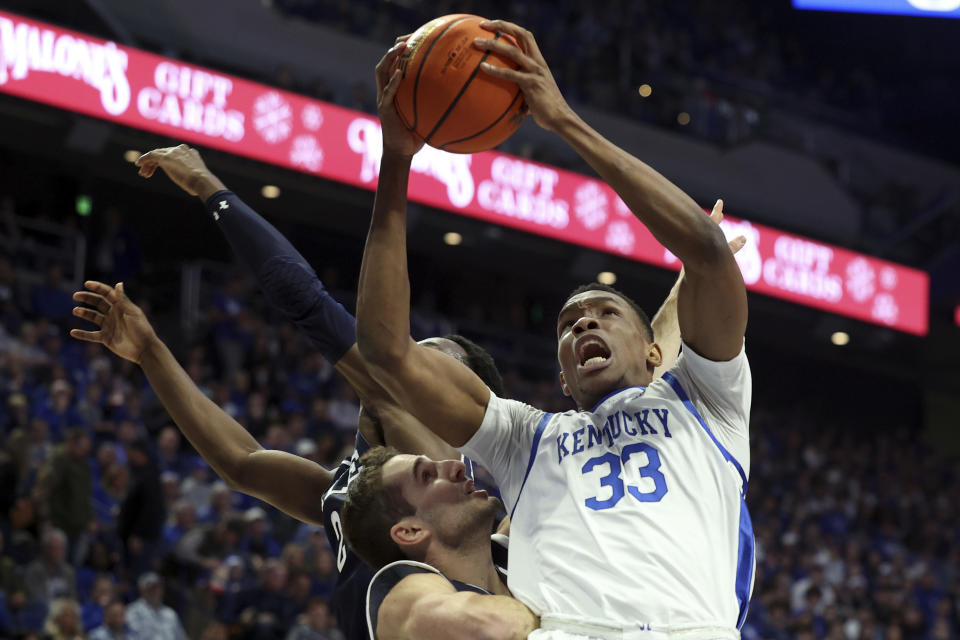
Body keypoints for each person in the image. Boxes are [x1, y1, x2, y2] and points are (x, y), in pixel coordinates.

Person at [122, 144, 701, 638]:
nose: (412, 372)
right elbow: (242, 462)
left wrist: (208, 185)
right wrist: (151, 352)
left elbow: (305, 303)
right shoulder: (352, 490)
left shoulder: (450, 469)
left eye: (434, 368)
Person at [354, 24, 752, 639]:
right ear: (563, 380)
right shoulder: (527, 439)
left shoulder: (708, 403)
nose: (584, 322)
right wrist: (398, 157)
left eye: (605, 313)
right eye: (568, 325)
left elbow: (704, 247)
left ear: (655, 353)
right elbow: (387, 352)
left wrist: (563, 120)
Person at [124, 573, 187, 640]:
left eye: (157, 587)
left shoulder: (170, 613)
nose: (155, 591)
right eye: (150, 588)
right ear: (142, 590)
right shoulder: (132, 611)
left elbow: (181, 637)